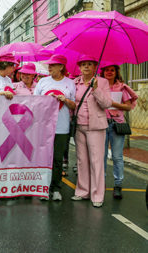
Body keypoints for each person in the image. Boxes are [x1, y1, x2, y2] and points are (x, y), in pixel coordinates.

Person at [71, 55, 112, 208]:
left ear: (95, 67)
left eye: (89, 64)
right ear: (79, 67)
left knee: (96, 161)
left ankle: (97, 195)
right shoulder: (75, 82)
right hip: (79, 127)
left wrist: (96, 90)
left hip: (95, 127)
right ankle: (82, 191)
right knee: (82, 161)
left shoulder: (102, 82)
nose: (86, 67)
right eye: (83, 64)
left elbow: (107, 103)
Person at [34, 54, 76, 201]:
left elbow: (74, 105)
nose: (49, 67)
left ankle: (56, 188)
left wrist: (65, 100)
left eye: (53, 65)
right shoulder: (42, 82)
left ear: (61, 67)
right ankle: (44, 188)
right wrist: (47, 99)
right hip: (44, 126)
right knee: (44, 158)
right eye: (49, 65)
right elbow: (34, 102)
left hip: (62, 127)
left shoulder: (70, 83)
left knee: (58, 159)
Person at [101, 63, 138, 199]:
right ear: (103, 72)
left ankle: (118, 185)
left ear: (116, 72)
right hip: (101, 124)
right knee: (101, 156)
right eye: (106, 70)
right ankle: (101, 184)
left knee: (117, 156)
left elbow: (128, 107)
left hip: (117, 125)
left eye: (112, 70)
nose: (109, 72)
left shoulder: (121, 87)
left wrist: (113, 104)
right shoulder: (98, 86)